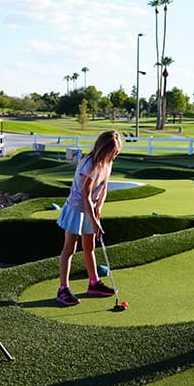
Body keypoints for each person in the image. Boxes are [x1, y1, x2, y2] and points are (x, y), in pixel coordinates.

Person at [56, 130, 123, 306]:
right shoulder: (89, 165)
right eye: (113, 152)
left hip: (90, 208)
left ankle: (94, 283)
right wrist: (93, 221)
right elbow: (85, 195)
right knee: (70, 248)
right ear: (104, 149)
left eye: (117, 153)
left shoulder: (107, 163)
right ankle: (63, 289)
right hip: (76, 208)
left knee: (89, 247)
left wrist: (98, 208)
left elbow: (104, 187)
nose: (115, 156)